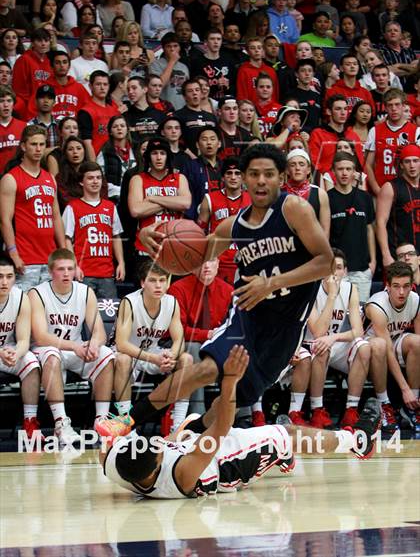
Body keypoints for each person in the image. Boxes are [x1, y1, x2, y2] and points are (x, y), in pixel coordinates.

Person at [100, 143, 335, 440]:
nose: (261, 181)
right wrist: (151, 240)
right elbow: (190, 258)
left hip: (285, 329)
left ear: (281, 178)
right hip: (248, 318)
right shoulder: (231, 226)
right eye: (254, 174)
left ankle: (188, 436)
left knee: (230, 401)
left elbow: (326, 262)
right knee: (204, 370)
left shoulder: (294, 209)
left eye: (269, 174)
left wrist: (273, 283)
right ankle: (124, 422)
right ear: (245, 179)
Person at [101, 344, 382, 497]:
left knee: (199, 418)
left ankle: (279, 455)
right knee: (283, 434)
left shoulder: (114, 463)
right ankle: (356, 441)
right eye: (158, 446)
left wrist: (119, 424)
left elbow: (106, 441)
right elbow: (222, 428)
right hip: (222, 466)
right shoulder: (180, 476)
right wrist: (231, 381)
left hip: (188, 446)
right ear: (158, 464)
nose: (157, 442)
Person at [29, 248, 116, 446]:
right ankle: (61, 424)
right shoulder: (37, 294)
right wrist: (75, 346)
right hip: (47, 350)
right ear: (51, 272)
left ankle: (101, 422)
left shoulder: (86, 292)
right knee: (51, 354)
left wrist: (94, 343)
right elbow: (41, 337)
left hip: (75, 350)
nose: (66, 273)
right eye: (61, 269)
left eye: (70, 268)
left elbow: (99, 331)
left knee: (106, 354)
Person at [299, 249, 393, 430]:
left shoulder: (350, 289)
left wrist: (334, 337)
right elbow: (318, 332)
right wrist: (332, 296)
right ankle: (317, 410)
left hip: (334, 342)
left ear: (345, 272)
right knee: (321, 345)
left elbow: (357, 330)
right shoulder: (311, 288)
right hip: (311, 345)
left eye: (339, 268)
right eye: (330, 267)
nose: (334, 272)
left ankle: (351, 409)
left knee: (363, 346)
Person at [109, 259, 193, 436]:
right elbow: (121, 344)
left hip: (151, 352)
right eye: (153, 280)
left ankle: (177, 426)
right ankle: (125, 424)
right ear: (142, 283)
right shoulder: (129, 302)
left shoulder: (172, 303)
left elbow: (179, 340)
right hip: (126, 353)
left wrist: (171, 356)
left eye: (162, 280)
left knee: (186, 359)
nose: (158, 286)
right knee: (123, 359)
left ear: (168, 282)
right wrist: (154, 358)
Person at [0, 125, 65, 292]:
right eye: (33, 144)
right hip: (25, 258)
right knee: (23, 311)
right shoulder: (11, 178)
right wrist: (13, 253)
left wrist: (63, 251)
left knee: (47, 313)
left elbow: (56, 216)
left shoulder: (50, 177)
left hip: (49, 258)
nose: (38, 149)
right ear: (23, 146)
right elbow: (4, 220)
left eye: (42, 145)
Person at [365, 261, 419, 432]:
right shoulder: (377, 305)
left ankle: (413, 407)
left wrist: (411, 394)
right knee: (381, 345)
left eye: (406, 286)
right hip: (366, 346)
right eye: (396, 286)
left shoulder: (416, 300)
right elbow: (387, 350)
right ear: (387, 286)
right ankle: (384, 405)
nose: (401, 292)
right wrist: (404, 389)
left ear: (412, 286)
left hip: (392, 341)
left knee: (417, 342)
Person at [63, 161, 125, 299]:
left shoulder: (110, 207)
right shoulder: (72, 207)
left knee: (109, 317)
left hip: (107, 273)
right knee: (84, 315)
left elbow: (116, 237)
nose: (95, 181)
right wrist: (73, 266)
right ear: (81, 182)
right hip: (83, 273)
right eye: (90, 178)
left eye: (98, 177)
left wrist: (121, 263)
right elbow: (66, 239)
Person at [0, 256, 42, 439]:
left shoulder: (21, 298)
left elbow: (24, 340)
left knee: (31, 363)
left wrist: (16, 354)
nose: (4, 282)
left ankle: (30, 423)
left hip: (7, 350)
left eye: (9, 276)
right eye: (0, 277)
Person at [127, 137, 191, 258]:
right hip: (146, 247)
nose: (159, 157)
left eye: (162, 153)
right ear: (148, 157)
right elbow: (136, 211)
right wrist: (172, 202)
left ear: (168, 156)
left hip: (174, 246)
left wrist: (152, 198)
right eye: (154, 153)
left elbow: (185, 204)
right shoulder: (137, 179)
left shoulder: (179, 178)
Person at [328, 152, 376, 303]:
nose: (344, 173)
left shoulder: (365, 197)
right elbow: (324, 234)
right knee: (336, 314)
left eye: (348, 169)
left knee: (361, 314)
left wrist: (373, 261)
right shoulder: (326, 197)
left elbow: (369, 229)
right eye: (340, 169)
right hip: (337, 268)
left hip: (362, 267)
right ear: (333, 171)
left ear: (354, 171)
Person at [197, 156, 251, 285]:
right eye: (229, 173)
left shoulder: (253, 199)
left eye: (237, 173)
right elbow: (200, 232)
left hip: (245, 261)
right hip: (217, 262)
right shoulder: (209, 198)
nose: (233, 177)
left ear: (243, 177)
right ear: (222, 177)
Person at [365, 88, 420, 196]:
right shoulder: (374, 131)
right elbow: (368, 164)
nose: (394, 109)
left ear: (404, 106)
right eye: (390, 105)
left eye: (397, 104)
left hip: (408, 191)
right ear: (385, 107)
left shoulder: (416, 131)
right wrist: (377, 189)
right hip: (381, 188)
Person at [376, 144, 420, 269]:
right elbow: (380, 223)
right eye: (407, 161)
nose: (412, 165)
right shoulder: (390, 187)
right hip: (400, 255)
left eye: (416, 161)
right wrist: (386, 255)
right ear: (401, 165)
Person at [309, 94, 364, 178]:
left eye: (345, 109)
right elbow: (314, 164)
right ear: (329, 112)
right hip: (326, 183)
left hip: (351, 184)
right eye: (338, 109)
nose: (343, 113)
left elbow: (360, 166)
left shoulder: (353, 135)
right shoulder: (318, 134)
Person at [284, 149, 330, 236]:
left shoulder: (320, 194)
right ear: (287, 170)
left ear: (308, 169)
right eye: (293, 165)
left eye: (301, 164)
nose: (297, 168)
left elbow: (325, 232)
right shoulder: (278, 193)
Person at [77, 70, 120, 161]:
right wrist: (94, 166)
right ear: (90, 86)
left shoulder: (114, 109)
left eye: (105, 84)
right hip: (98, 158)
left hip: (116, 158)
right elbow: (87, 142)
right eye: (98, 84)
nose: (102, 88)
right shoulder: (85, 111)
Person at [11, 28, 53, 120]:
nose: (43, 44)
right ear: (33, 43)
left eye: (46, 40)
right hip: (28, 108)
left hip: (44, 107)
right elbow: (19, 90)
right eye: (39, 41)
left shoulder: (49, 62)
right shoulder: (24, 60)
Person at [96, 114, 136, 201]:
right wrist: (122, 191)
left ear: (127, 129)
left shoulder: (136, 149)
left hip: (137, 195)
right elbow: (100, 179)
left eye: (122, 126)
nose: (119, 128)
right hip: (115, 198)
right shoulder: (104, 152)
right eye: (115, 126)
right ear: (110, 131)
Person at [190, 28, 235, 100]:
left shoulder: (228, 61)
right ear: (205, 42)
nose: (216, 42)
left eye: (218, 39)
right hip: (205, 102)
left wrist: (228, 86)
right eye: (212, 39)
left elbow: (235, 85)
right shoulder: (197, 63)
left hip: (225, 102)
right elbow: (194, 87)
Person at [148, 32, 190, 111]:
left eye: (175, 46)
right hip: (163, 108)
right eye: (168, 46)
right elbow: (159, 85)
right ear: (163, 48)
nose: (172, 49)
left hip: (182, 108)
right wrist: (172, 62)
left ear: (180, 47)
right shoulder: (156, 65)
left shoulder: (184, 67)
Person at [175, 79, 218, 155]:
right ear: (184, 96)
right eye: (190, 91)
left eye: (197, 90)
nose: (194, 93)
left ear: (201, 94)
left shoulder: (211, 117)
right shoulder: (178, 116)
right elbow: (176, 141)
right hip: (188, 160)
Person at [124, 76, 166, 150]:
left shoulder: (161, 115)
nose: (130, 92)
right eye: (128, 89)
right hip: (137, 157)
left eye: (134, 88)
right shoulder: (125, 116)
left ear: (145, 89)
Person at [236, 38, 279, 105]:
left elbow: (275, 94)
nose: (256, 50)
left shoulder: (271, 70)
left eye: (259, 48)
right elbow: (242, 95)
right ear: (247, 51)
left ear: (263, 50)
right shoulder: (243, 70)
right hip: (251, 110)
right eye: (253, 48)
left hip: (270, 109)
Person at [218, 96, 254, 160]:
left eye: (235, 109)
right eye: (227, 109)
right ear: (219, 112)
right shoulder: (214, 133)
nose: (232, 112)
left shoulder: (245, 134)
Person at [0, 84, 25, 176]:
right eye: (1, 101)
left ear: (13, 103)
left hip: (20, 177)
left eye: (9, 101)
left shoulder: (25, 126)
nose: (6, 105)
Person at [27, 85, 59, 149]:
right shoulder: (29, 126)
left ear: (54, 102)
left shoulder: (60, 125)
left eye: (49, 98)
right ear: (36, 101)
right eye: (42, 97)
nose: (46, 101)